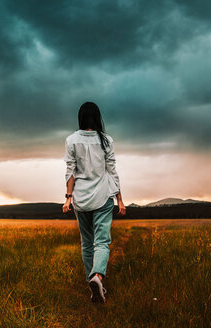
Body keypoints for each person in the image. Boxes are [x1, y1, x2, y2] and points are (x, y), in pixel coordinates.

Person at [62, 101, 126, 304]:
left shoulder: (71, 140)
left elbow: (70, 171)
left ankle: (92, 282)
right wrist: (120, 199)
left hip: (81, 199)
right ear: (98, 117)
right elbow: (111, 171)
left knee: (87, 243)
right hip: (103, 196)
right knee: (102, 241)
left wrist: (68, 198)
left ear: (80, 117)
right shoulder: (106, 141)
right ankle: (97, 277)